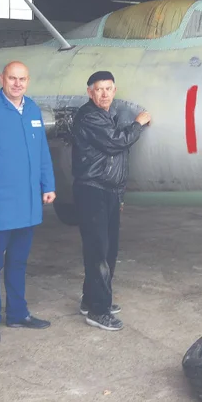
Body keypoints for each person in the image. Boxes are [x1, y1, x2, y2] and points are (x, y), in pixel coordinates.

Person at [0, 61, 57, 344]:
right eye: (12, 78)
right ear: (1, 79)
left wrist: (48, 184)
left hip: (27, 202)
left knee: (18, 261)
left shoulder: (32, 110)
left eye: (22, 79)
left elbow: (42, 151)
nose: (17, 84)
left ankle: (17, 313)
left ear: (28, 81)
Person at [71, 70, 151, 331]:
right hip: (92, 191)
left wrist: (119, 196)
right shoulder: (90, 116)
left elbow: (117, 163)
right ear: (90, 92)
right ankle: (98, 311)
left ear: (114, 90)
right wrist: (138, 123)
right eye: (99, 89)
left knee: (107, 251)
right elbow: (117, 142)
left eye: (108, 89)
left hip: (108, 192)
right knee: (99, 252)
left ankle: (90, 300)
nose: (104, 94)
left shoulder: (108, 114)